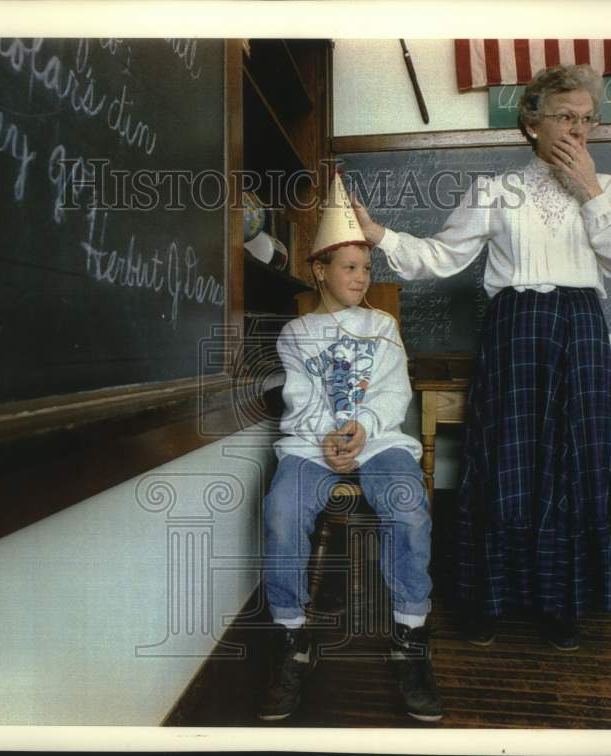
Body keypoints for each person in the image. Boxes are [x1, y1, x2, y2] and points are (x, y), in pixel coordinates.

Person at [351, 64, 611, 652]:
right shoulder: (495, 190)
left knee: (578, 461)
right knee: (504, 461)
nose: (578, 130)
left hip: (581, 331)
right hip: (515, 330)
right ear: (531, 121)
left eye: (587, 120)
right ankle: (488, 601)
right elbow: (440, 256)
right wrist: (379, 234)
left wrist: (590, 188)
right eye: (565, 117)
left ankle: (561, 604)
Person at [258, 174, 442, 722]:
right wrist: (331, 441)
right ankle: (293, 641)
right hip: (312, 446)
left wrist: (361, 428)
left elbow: (393, 389)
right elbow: (301, 396)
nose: (362, 277)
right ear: (320, 270)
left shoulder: (382, 324)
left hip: (380, 439)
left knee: (408, 510)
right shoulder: (296, 334)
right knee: (282, 511)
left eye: (367, 267)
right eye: (349, 267)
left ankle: (410, 638)